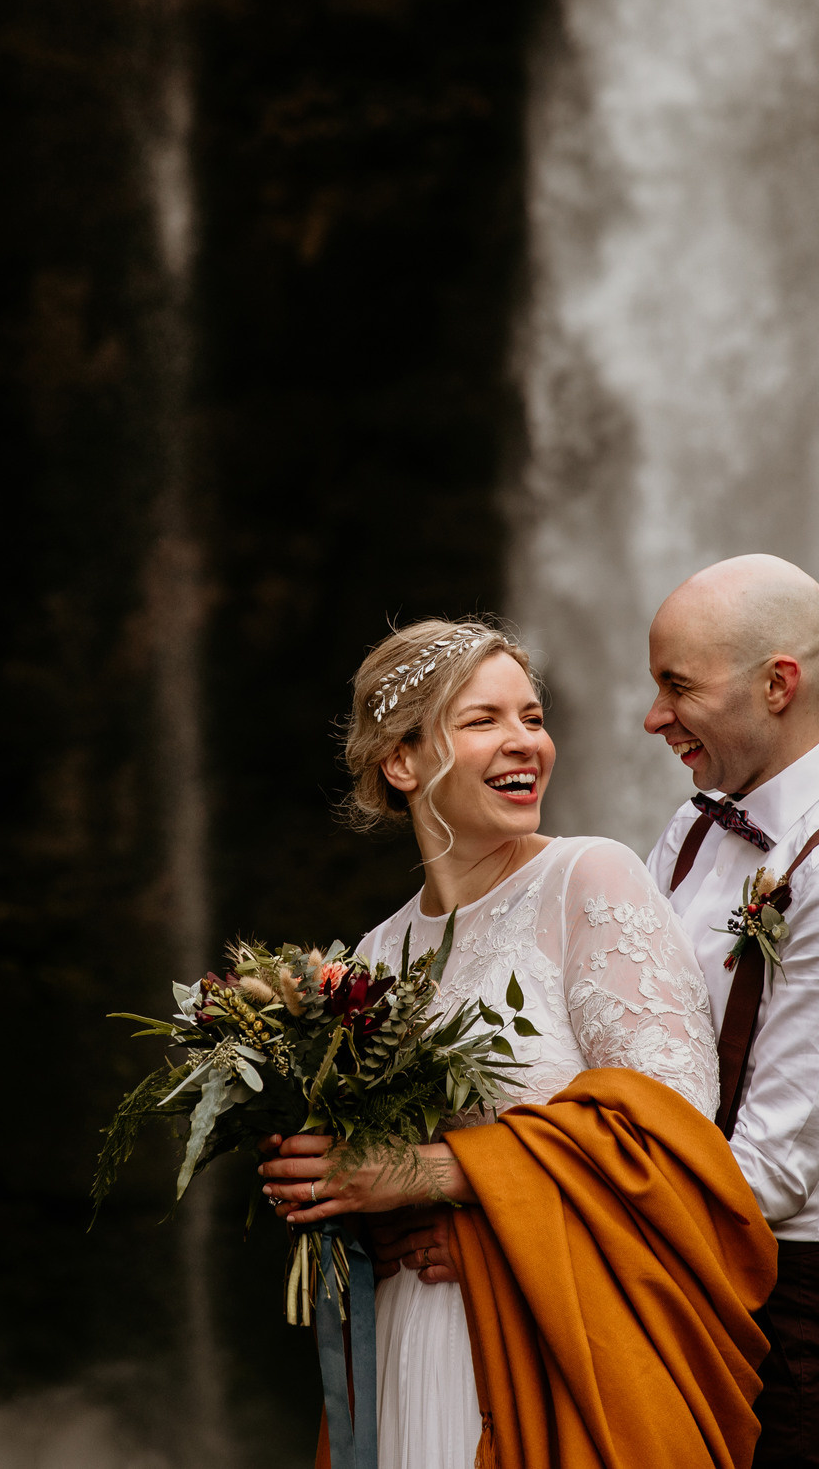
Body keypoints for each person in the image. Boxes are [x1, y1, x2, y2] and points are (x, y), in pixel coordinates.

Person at [256, 618, 779, 1469]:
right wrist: (327, 1187)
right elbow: (368, 1188)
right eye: (483, 720)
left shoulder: (590, 878)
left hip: (561, 1346)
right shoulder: (372, 959)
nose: (525, 742)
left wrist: (433, 1174)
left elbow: (679, 1137)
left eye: (533, 717)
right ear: (403, 760)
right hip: (408, 1347)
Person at [640, 555, 819, 1468]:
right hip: (675, 1271)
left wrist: (535, 1213)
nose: (652, 718)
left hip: (790, 1323)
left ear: (777, 683)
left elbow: (770, 1172)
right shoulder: (692, 828)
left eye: (675, 685)